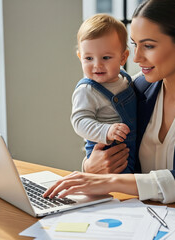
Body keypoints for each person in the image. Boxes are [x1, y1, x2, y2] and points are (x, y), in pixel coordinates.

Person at [44, 0, 175, 204]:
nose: (136, 58)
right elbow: (104, 145)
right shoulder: (137, 89)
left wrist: (112, 181)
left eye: (148, 46)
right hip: (144, 218)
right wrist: (91, 167)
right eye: (134, 44)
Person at [71, 14, 136, 173]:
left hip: (131, 148)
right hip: (107, 150)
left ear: (123, 57)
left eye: (106, 57)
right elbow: (79, 121)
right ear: (80, 57)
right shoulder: (87, 89)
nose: (97, 65)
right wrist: (106, 130)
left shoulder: (125, 80)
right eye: (88, 58)